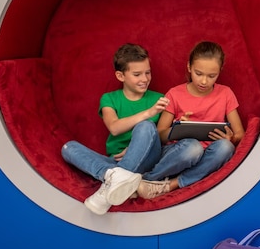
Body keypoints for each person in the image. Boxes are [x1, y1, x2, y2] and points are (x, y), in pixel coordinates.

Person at [61, 43, 169, 215]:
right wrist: (148, 112)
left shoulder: (159, 98)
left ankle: (110, 185)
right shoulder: (109, 99)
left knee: (146, 126)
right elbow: (114, 128)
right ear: (120, 76)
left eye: (147, 72)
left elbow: (161, 136)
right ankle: (114, 177)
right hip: (114, 162)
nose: (145, 78)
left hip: (148, 159)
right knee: (68, 148)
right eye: (137, 74)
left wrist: (135, 148)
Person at [135, 41, 245, 199]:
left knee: (226, 147)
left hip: (206, 158)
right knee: (193, 147)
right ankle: (148, 179)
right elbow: (159, 134)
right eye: (198, 74)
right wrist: (178, 129)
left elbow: (240, 133)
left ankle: (170, 185)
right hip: (179, 153)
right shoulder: (174, 94)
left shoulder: (225, 93)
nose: (204, 81)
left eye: (211, 76)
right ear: (189, 68)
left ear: (220, 71)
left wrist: (231, 138)